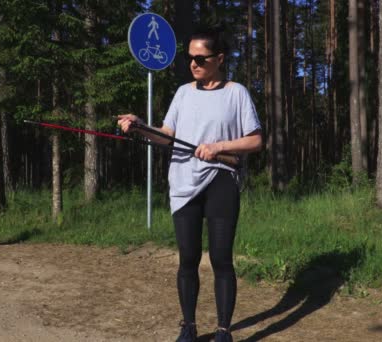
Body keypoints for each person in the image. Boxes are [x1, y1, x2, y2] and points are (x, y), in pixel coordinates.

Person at [117, 27, 262, 342]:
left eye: (200, 58)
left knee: (221, 258)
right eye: (189, 58)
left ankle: (224, 330)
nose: (193, 64)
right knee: (188, 258)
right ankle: (189, 327)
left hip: (221, 179)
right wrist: (141, 127)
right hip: (183, 183)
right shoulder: (183, 93)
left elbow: (255, 141)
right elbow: (166, 137)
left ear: (219, 58)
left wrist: (219, 147)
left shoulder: (236, 93)